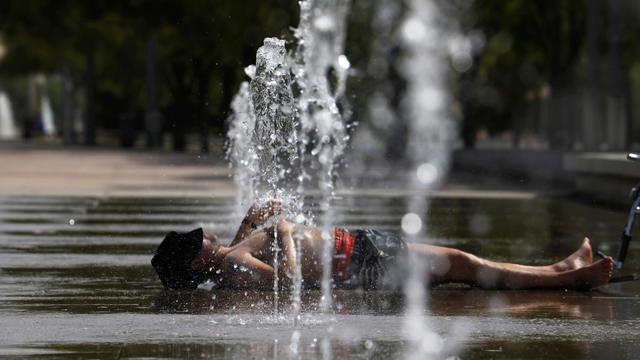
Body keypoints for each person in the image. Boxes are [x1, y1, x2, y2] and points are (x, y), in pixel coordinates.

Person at [151, 200, 613, 291]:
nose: (208, 235)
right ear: (197, 257)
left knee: (460, 264)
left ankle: (560, 270)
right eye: (201, 240)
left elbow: (242, 248)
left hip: (357, 248)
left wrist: (253, 217)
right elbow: (287, 282)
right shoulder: (234, 267)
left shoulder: (228, 261)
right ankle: (564, 276)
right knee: (463, 264)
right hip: (360, 260)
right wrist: (287, 233)